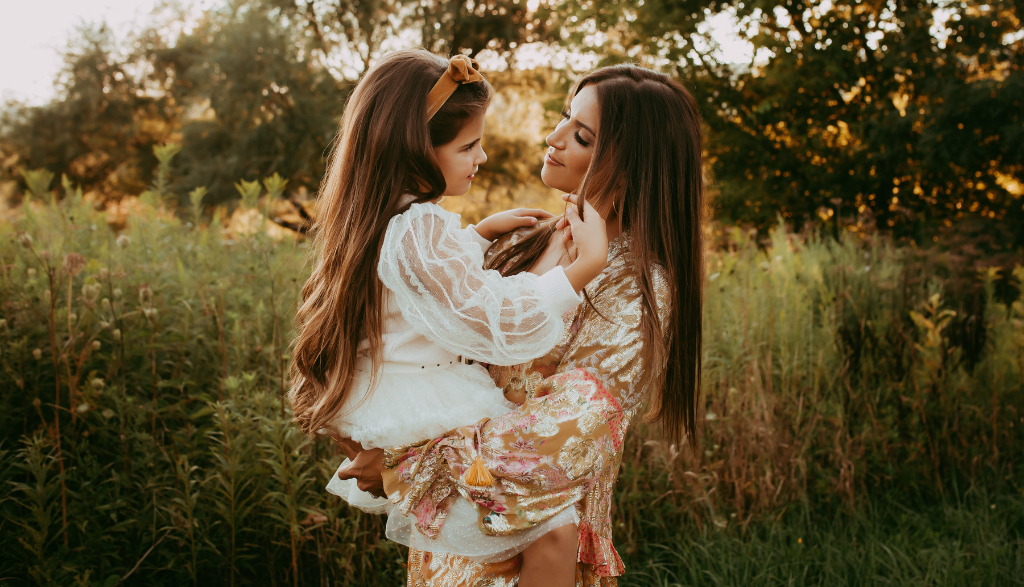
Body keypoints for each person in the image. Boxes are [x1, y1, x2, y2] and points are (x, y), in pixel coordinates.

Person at [337, 63, 706, 586]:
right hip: (454, 532)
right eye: (563, 118)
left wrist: (405, 467)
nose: (552, 138)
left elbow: (568, 433)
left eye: (580, 136)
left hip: (529, 547)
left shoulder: (639, 287)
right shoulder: (526, 237)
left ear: (631, 164)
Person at [287, 50, 610, 586]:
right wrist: (581, 271)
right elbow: (491, 320)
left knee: (521, 531)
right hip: (426, 417)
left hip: (393, 407)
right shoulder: (418, 226)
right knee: (551, 529)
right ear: (415, 150)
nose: (480, 157)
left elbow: (410, 287)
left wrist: (474, 236)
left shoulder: (379, 216)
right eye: (467, 146)